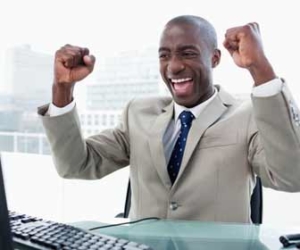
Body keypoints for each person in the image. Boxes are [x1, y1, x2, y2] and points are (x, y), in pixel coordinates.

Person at [38, 15, 300, 223]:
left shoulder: (246, 116)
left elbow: (292, 177)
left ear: (215, 58)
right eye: (164, 55)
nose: (173, 67)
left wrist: (260, 67)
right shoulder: (138, 113)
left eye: (187, 54)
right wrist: (62, 89)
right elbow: (75, 165)